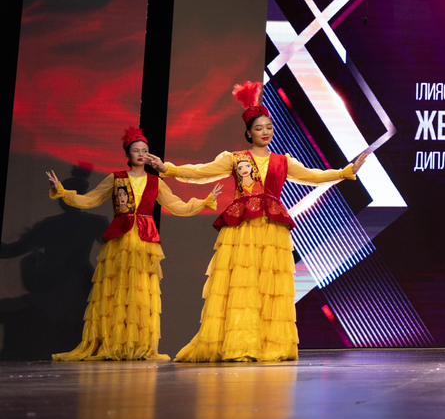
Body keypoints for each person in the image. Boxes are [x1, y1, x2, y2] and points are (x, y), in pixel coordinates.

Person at [145, 82, 366, 362]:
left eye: (269, 127)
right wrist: (168, 168)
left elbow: (313, 176)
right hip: (243, 230)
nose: (265, 132)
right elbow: (202, 172)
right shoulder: (234, 159)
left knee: (269, 287)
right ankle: (239, 344)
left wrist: (345, 172)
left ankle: (267, 344)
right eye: (259, 128)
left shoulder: (283, 162)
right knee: (243, 286)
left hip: (272, 232)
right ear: (249, 132)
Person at [45, 126, 220, 361]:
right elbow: (90, 200)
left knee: (140, 295)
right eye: (136, 150)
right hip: (120, 242)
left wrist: (205, 201)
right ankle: (113, 343)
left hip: (145, 243)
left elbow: (177, 206)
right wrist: (62, 192)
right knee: (116, 292)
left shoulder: (155, 182)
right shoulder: (116, 179)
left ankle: (139, 345)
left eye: (145, 150)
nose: (141, 154)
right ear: (128, 154)